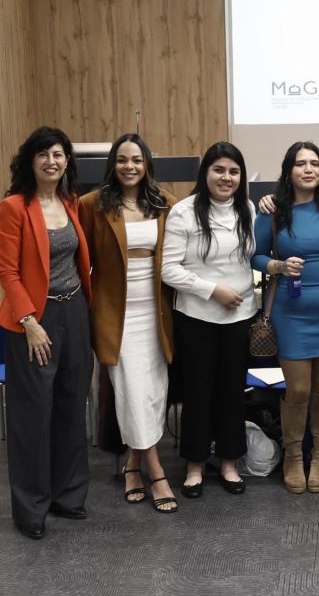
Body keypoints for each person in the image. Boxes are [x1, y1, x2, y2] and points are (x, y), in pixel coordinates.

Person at [0, 126, 93, 539]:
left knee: (72, 406)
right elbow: (8, 271)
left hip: (74, 312)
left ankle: (68, 495)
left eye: (58, 154)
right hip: (33, 322)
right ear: (30, 161)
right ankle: (30, 509)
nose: (51, 161)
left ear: (67, 161)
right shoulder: (14, 207)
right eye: (43, 154)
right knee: (32, 416)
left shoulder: (70, 201)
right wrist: (29, 321)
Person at [78, 133, 178, 514]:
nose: (129, 166)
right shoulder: (92, 205)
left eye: (136, 159)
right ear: (112, 165)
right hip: (114, 317)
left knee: (152, 394)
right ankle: (156, 471)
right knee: (131, 392)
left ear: (147, 164)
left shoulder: (165, 204)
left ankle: (132, 465)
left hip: (157, 314)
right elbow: (75, 257)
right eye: (122, 160)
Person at [161, 141, 256, 499]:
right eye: (219, 170)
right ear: (206, 173)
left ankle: (229, 462)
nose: (226, 177)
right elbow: (169, 269)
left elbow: (249, 260)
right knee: (198, 392)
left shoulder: (246, 208)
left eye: (233, 171)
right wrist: (212, 290)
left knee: (233, 392)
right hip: (196, 315)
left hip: (240, 315)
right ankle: (196, 465)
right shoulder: (184, 212)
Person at [252, 142, 319, 494]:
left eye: (315, 164)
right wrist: (277, 265)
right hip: (291, 312)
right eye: (301, 164)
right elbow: (256, 256)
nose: (309, 169)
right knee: (299, 388)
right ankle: (293, 456)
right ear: (288, 170)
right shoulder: (272, 211)